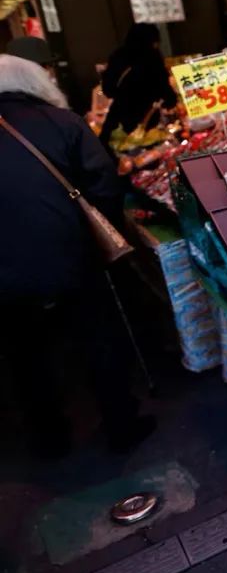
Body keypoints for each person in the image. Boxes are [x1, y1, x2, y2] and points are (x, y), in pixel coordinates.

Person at [0, 54, 155, 457]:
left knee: (24, 354)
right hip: (68, 250)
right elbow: (103, 181)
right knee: (97, 338)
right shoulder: (61, 122)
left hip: (5, 271)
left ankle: (49, 440)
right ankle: (122, 426)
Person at [100, 24, 175, 142]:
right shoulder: (152, 57)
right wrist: (171, 101)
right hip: (147, 117)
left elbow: (108, 89)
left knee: (123, 151)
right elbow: (163, 86)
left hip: (119, 115)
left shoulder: (118, 55)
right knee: (148, 149)